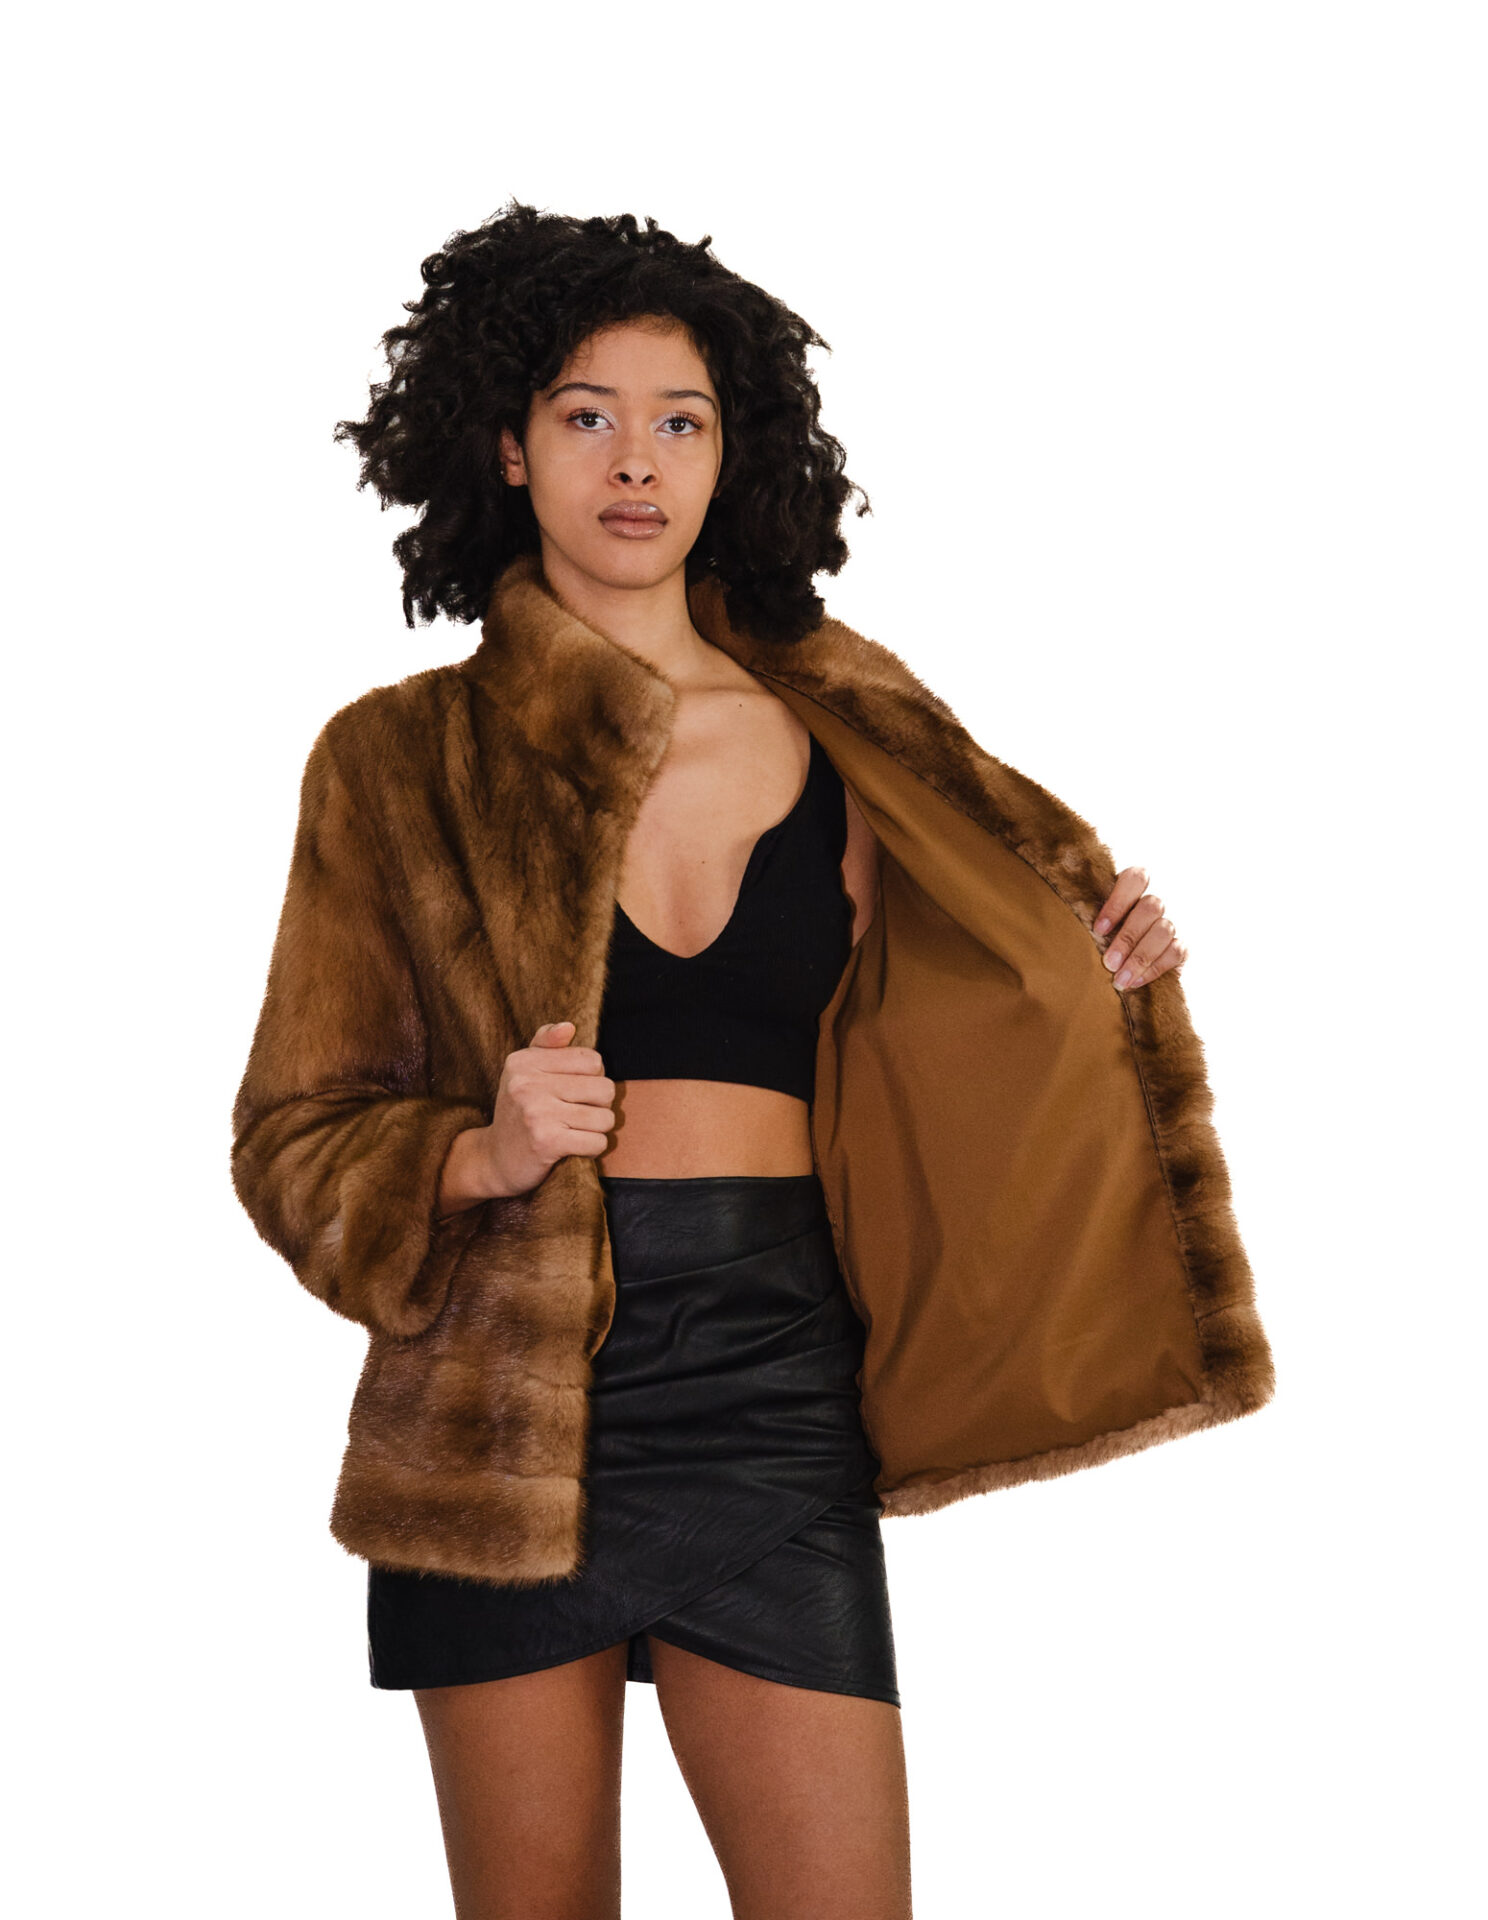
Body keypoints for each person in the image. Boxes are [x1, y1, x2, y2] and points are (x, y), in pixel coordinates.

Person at [233, 201, 1250, 1920]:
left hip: (776, 1378)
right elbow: (289, 1133)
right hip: (496, 1408)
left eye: (681, 421)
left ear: (734, 453)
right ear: (507, 444)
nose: (636, 461)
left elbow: (956, 1025)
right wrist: (474, 1154)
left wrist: (1097, 982)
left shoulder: (850, 732)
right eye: (586, 415)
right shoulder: (396, 758)